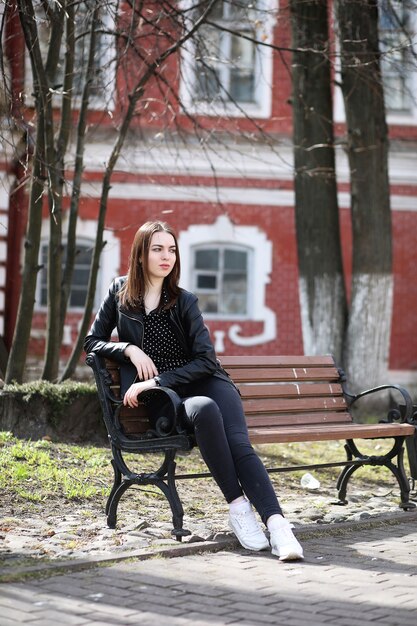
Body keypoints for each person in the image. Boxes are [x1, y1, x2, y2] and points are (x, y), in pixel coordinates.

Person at [84, 220, 304, 561]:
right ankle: (238, 507)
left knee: (238, 443)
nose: (166, 256)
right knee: (204, 409)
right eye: (157, 249)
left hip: (205, 382)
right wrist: (129, 349)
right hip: (167, 400)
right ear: (140, 255)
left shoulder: (184, 301)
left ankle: (278, 525)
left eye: (171, 249)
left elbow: (206, 360)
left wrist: (156, 380)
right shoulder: (120, 293)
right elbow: (92, 342)